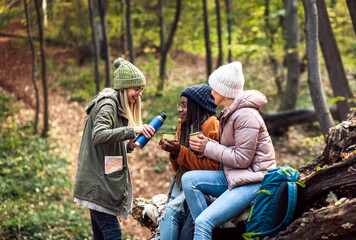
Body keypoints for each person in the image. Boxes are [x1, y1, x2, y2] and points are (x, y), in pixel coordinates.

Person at [181, 61, 276, 240]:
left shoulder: (245, 115)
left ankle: (203, 226)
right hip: (238, 175)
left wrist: (208, 147)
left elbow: (242, 159)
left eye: (213, 88)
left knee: (203, 222)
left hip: (253, 180)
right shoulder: (231, 112)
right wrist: (207, 143)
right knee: (189, 180)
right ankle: (207, 229)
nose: (211, 92)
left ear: (224, 91)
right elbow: (233, 150)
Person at [73, 57, 155, 240]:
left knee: (102, 236)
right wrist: (132, 130)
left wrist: (129, 144)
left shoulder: (117, 105)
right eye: (136, 89)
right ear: (124, 88)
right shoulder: (108, 104)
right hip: (98, 184)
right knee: (112, 234)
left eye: (141, 89)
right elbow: (98, 135)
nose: (139, 94)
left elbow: (110, 140)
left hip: (103, 183)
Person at [156, 84, 220, 240]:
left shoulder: (212, 126)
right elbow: (180, 169)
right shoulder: (184, 127)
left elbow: (213, 167)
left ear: (197, 106)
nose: (180, 109)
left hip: (204, 188)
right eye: (180, 105)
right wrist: (174, 153)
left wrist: (181, 152)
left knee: (169, 215)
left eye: (184, 105)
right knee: (168, 215)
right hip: (183, 187)